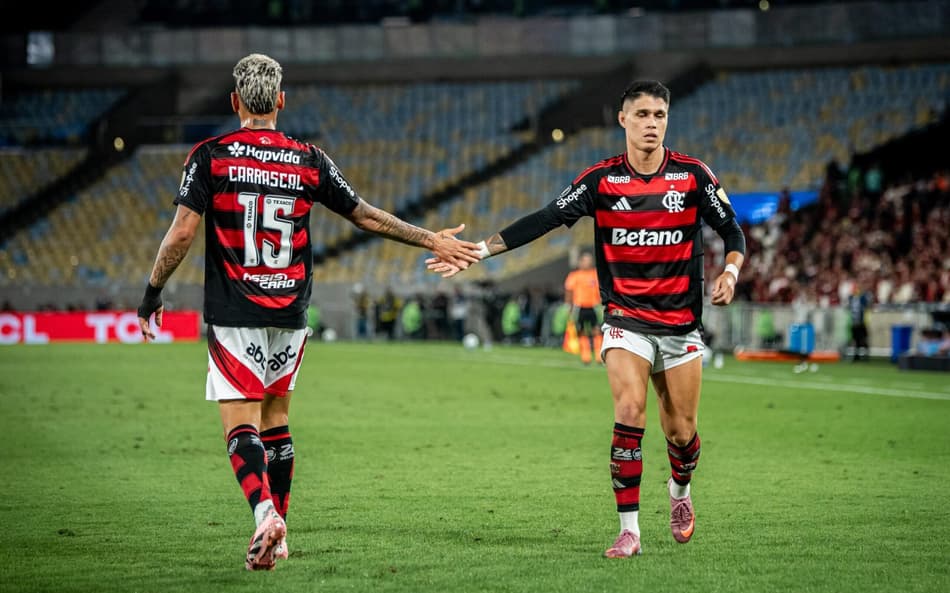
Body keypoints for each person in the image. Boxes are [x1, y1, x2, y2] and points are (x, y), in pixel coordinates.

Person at [135, 53, 480, 571]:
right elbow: (364, 214)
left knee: (240, 424)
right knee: (277, 421)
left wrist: (152, 291)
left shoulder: (210, 156)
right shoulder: (308, 158)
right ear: (280, 101)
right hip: (292, 311)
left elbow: (183, 232)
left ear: (234, 103)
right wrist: (430, 238)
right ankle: (283, 531)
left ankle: (264, 515)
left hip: (236, 309)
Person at [427, 80, 745, 558]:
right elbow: (547, 217)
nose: (651, 124)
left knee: (681, 432)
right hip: (625, 319)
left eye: (659, 115)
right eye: (641, 115)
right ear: (623, 120)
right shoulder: (600, 181)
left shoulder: (693, 176)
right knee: (629, 412)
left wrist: (732, 271)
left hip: (681, 324)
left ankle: (680, 491)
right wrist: (481, 249)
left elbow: (732, 228)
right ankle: (630, 530)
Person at [564, 251, 603, 365]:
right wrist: (568, 305)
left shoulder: (595, 274)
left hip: (594, 306)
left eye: (589, 260)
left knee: (597, 330)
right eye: (585, 260)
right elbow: (569, 290)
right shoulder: (574, 275)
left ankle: (598, 356)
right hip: (579, 306)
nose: (588, 262)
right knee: (581, 331)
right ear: (580, 262)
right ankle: (585, 356)